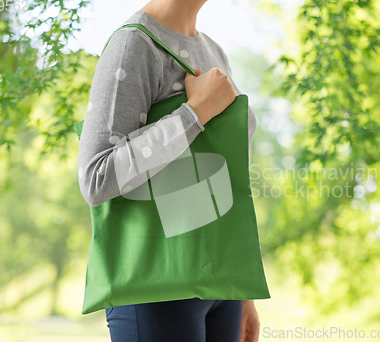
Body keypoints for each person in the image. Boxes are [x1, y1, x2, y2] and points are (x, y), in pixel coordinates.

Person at [77, 0, 261, 341]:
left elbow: (230, 170)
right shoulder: (133, 43)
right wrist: (193, 114)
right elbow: (96, 177)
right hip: (155, 287)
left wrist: (242, 289)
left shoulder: (213, 50)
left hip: (220, 279)